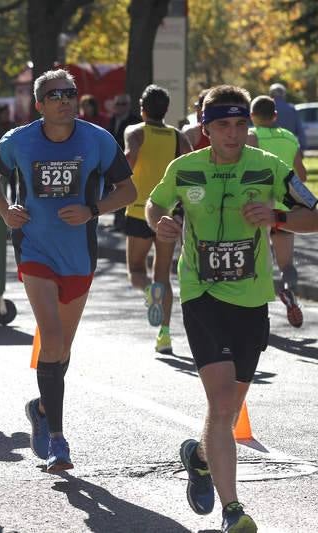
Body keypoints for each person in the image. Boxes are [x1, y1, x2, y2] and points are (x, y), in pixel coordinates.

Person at [146, 85, 318, 533]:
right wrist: (159, 223)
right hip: (201, 294)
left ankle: (200, 457)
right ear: (206, 129)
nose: (233, 133)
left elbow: (314, 213)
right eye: (223, 125)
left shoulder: (268, 168)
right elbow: (154, 204)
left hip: (250, 300)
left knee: (225, 410)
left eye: (240, 124)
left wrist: (278, 218)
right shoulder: (185, 170)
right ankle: (233, 511)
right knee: (221, 402)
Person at [0, 69, 136, 472]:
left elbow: (129, 191)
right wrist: (5, 211)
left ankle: (41, 407)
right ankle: (57, 439)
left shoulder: (98, 140)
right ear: (39, 104)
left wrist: (93, 209)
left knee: (60, 348)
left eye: (69, 93)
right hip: (35, 249)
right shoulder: (19, 141)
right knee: (50, 336)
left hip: (79, 255)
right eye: (55, 95)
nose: (64, 100)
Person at [123, 84, 192, 353]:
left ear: (142, 110)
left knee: (136, 271)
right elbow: (188, 167)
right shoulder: (178, 136)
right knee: (163, 274)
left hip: (140, 210)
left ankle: (148, 291)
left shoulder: (135, 131)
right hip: (169, 213)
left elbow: (130, 158)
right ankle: (164, 335)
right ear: (166, 110)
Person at [249, 95, 308, 328]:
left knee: (255, 265)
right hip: (284, 212)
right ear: (275, 115)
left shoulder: (252, 137)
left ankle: (257, 315)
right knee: (287, 265)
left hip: (257, 209)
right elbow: (301, 176)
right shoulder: (290, 137)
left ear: (252, 116)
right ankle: (288, 292)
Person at [108, 94, 141, 231]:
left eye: (123, 104)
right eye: (118, 104)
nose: (120, 107)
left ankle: (124, 224)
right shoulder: (112, 119)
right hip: (113, 159)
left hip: (128, 161)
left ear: (128, 105)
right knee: (115, 191)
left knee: (125, 190)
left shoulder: (135, 121)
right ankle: (117, 223)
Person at [268, 83, 306, 150]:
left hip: (271, 147)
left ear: (270, 94)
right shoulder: (291, 109)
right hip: (289, 147)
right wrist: (302, 148)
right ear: (284, 94)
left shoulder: (267, 109)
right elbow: (300, 130)